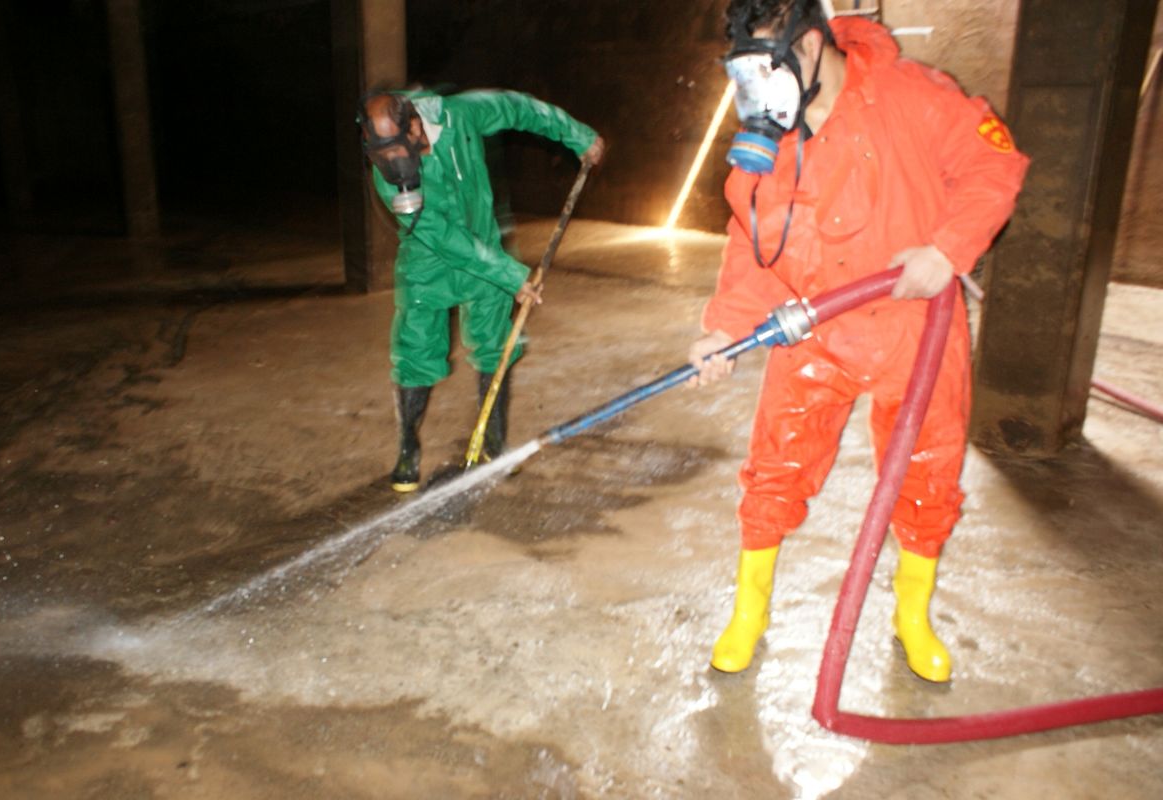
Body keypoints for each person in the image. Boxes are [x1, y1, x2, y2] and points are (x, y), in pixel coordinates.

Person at [687, 0, 1028, 681]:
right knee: (775, 467)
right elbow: (750, 241)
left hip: (913, 325)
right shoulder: (772, 137)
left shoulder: (914, 95)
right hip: (812, 327)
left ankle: (912, 615)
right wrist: (724, 329)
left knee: (927, 469)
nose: (760, 88)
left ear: (810, 45)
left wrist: (947, 249)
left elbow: (998, 168)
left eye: (769, 65)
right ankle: (749, 612)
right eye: (746, 71)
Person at [359, 89, 604, 492]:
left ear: (416, 126)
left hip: (486, 251)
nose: (394, 166)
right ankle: (408, 447)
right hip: (428, 265)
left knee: (495, 343)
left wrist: (577, 135)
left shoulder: (462, 116)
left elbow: (519, 108)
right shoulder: (390, 177)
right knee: (415, 353)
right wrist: (512, 276)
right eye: (382, 157)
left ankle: (494, 442)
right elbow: (444, 239)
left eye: (400, 151)